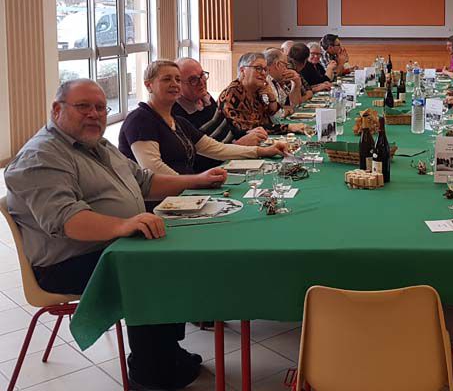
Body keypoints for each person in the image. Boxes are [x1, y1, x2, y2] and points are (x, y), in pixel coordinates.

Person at [4, 79, 228, 389]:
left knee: (177, 250)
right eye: (83, 106)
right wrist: (124, 225)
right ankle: (149, 372)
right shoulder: (41, 157)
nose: (94, 114)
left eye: (100, 107)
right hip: (66, 262)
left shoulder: (95, 143)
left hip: (112, 244)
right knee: (148, 269)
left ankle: (164, 351)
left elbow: (145, 181)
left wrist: (199, 179)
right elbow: (66, 219)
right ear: (57, 110)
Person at [119, 60, 290, 176]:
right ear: (148, 85)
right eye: (166, 79)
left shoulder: (177, 122)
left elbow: (218, 149)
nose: (174, 84)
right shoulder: (140, 119)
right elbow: (154, 170)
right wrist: (197, 182)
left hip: (187, 191)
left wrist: (264, 151)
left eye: (177, 79)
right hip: (165, 202)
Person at [173, 57, 269, 172]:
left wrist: (247, 133)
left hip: (233, 157)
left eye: (202, 75)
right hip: (216, 169)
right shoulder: (176, 115)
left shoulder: (205, 97)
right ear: (178, 84)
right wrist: (240, 145)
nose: (202, 82)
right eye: (193, 79)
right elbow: (197, 160)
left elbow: (228, 128)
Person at [218, 52, 307, 135]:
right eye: (258, 68)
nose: (264, 73)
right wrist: (288, 127)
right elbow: (248, 129)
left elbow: (273, 119)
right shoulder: (231, 94)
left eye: (265, 69)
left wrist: (272, 98)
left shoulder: (256, 90)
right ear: (242, 70)